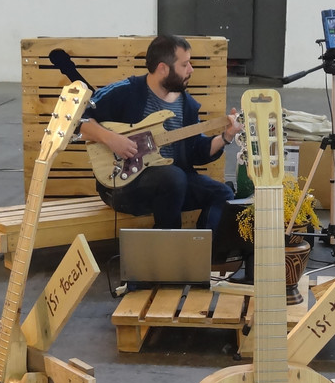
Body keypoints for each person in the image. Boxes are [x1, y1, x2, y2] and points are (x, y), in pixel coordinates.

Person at [80, 34, 242, 238]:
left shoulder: (187, 105)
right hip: (123, 187)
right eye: (185, 64)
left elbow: (197, 152)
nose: (191, 70)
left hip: (174, 185)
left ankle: (203, 248)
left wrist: (226, 136)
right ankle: (167, 247)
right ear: (163, 68)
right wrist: (111, 139)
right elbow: (78, 119)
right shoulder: (125, 91)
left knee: (223, 194)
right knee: (173, 177)